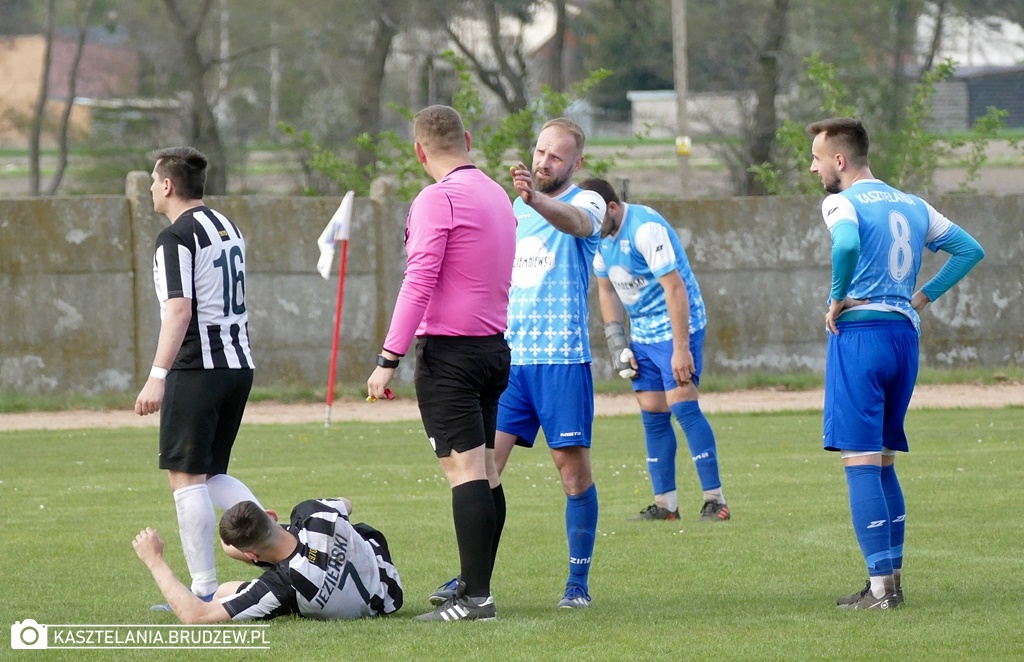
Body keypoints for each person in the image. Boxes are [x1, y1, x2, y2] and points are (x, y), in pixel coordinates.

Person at [807, 117, 985, 610]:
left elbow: (844, 244)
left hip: (861, 334)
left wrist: (837, 297)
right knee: (883, 461)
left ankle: (881, 590)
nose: (813, 167)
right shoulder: (912, 203)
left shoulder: (840, 201)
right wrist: (923, 296)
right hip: (905, 337)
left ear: (839, 161)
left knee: (859, 461)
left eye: (818, 158)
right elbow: (970, 250)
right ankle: (891, 583)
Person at [431, 118, 607, 610]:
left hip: (561, 362)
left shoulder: (586, 200)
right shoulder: (512, 207)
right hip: (510, 362)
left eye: (556, 156)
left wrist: (536, 201)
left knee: (571, 473)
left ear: (576, 163)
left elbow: (575, 223)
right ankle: (472, 579)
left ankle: (577, 585)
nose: (544, 161)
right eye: (540, 150)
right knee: (483, 470)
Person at [366, 105, 517, 622]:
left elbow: (420, 278)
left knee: (466, 470)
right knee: (488, 472)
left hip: (451, 355)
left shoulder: (438, 198)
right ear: (467, 139)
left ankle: (476, 599)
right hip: (494, 349)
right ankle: (476, 587)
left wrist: (389, 357)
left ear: (418, 151)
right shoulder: (497, 194)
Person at [134, 147, 265, 607]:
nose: (151, 188)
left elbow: (179, 309)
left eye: (154, 180)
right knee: (212, 475)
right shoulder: (227, 226)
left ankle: (204, 590)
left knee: (185, 479)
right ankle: (280, 542)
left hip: (199, 369)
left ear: (168, 185)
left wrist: (157, 375)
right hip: (237, 365)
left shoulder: (174, 238)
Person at [580, 177, 730, 523]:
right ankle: (666, 506)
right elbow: (607, 292)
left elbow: (675, 289)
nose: (590, 225)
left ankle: (715, 501)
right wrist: (617, 343)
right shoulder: (598, 238)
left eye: (595, 217)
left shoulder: (645, 228)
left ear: (613, 208)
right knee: (651, 410)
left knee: (683, 404)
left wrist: (681, 349)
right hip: (643, 333)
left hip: (678, 326)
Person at [133, 497, 403, 622]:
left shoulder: (279, 587)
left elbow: (196, 617)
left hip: (351, 602)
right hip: (386, 584)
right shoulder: (311, 513)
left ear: (251, 555)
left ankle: (190, 595)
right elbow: (347, 504)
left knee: (221, 597)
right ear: (272, 515)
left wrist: (154, 560)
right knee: (227, 579)